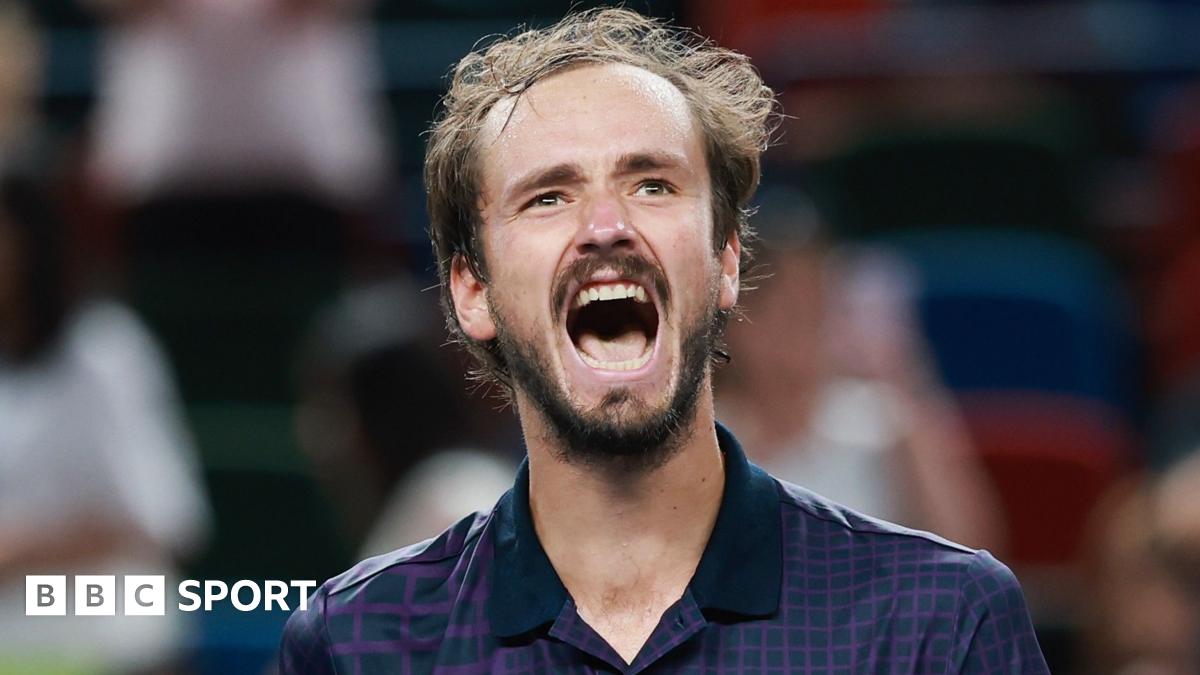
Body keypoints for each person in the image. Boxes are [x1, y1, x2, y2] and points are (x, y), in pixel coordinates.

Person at [279, 8, 1048, 673]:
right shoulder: (357, 643)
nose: (607, 227)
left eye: (652, 184)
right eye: (549, 196)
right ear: (471, 292)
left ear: (724, 263)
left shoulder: (941, 619)